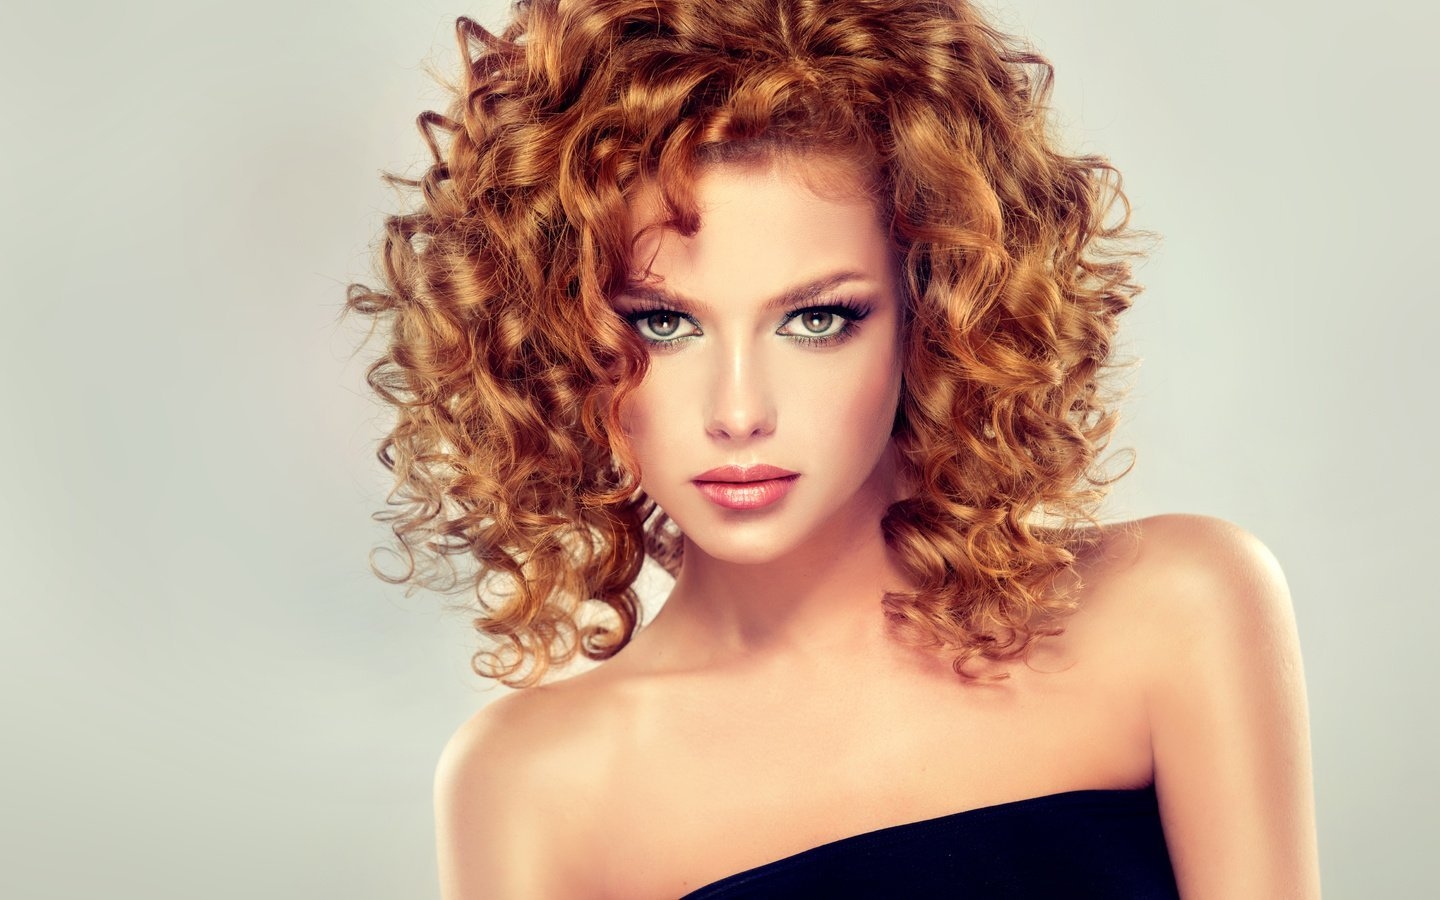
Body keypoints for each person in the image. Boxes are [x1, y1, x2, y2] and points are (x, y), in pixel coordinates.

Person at [347, 0, 1319, 895]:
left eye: (815, 320)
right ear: (558, 337)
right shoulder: (535, 786)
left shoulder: (1174, 611)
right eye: (663, 325)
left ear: (934, 310)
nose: (738, 412)